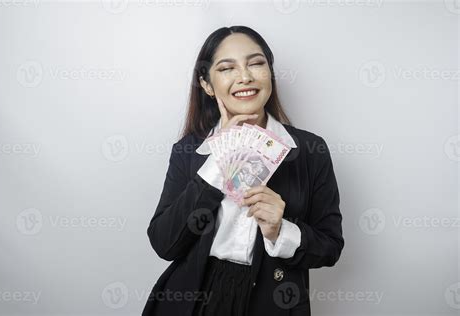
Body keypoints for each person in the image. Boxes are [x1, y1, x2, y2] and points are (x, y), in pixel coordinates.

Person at [142, 25, 344, 316]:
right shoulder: (189, 151)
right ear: (207, 85)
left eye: (256, 63)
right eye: (227, 68)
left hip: (269, 302)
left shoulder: (311, 151)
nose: (245, 77)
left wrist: (280, 230)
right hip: (191, 301)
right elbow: (165, 243)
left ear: (269, 73)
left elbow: (330, 247)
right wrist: (218, 163)